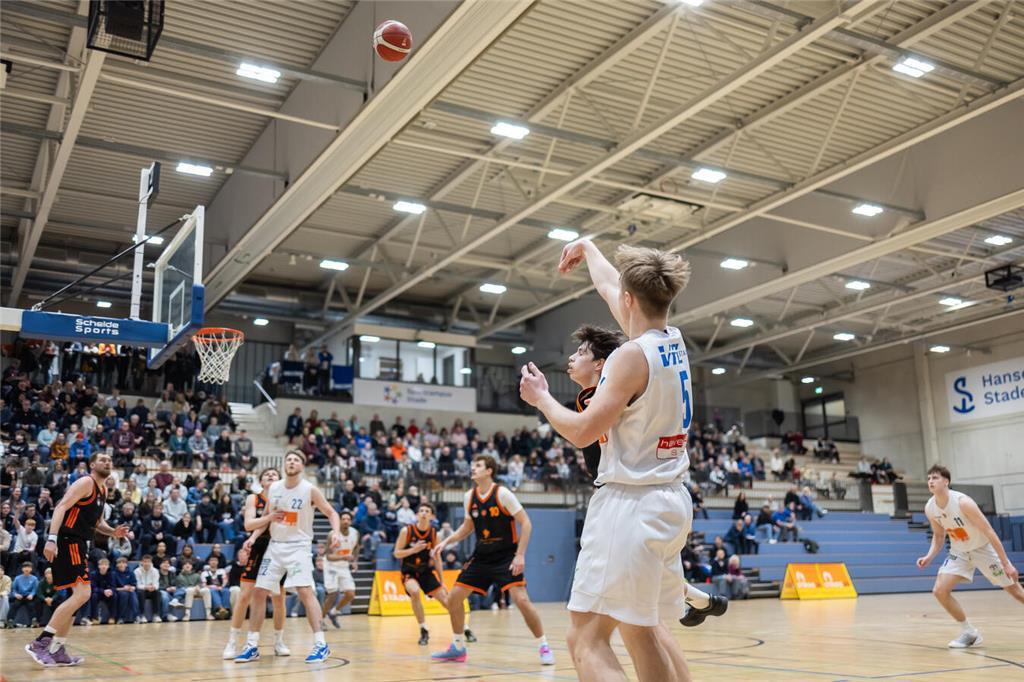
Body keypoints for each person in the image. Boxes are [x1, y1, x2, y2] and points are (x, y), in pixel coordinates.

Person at [519, 240, 724, 681]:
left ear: (630, 301)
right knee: (643, 631)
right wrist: (589, 248)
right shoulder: (672, 339)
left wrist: (541, 400)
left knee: (585, 637)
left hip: (629, 506)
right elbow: (614, 285)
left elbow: (582, 431)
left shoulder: (629, 357)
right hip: (670, 500)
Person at [430, 455, 552, 665]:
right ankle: (458, 647)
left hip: (506, 557)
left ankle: (544, 645)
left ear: (489, 471)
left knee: (522, 601)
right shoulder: (469, 496)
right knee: (453, 600)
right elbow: (468, 527)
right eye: (472, 465)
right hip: (481, 557)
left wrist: (520, 555)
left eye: (477, 465)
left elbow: (526, 523)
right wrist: (446, 542)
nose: (472, 468)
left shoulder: (503, 493)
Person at [25, 452, 130, 668]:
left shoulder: (103, 489)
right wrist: (51, 539)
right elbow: (61, 506)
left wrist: (113, 532)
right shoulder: (85, 482)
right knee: (84, 593)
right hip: (68, 539)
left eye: (110, 460)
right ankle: (40, 643)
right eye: (102, 459)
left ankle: (57, 648)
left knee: (78, 598)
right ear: (92, 465)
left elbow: (97, 522)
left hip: (81, 543)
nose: (107, 462)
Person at [237, 450, 341, 664]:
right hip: (275, 547)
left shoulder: (309, 490)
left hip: (298, 548)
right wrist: (253, 537)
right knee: (259, 591)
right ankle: (252, 645)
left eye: (296, 460)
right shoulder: (274, 488)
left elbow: (331, 512)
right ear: (285, 465)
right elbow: (268, 517)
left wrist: (337, 532)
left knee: (305, 591)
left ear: (302, 466)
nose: (292, 462)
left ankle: (321, 644)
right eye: (289, 459)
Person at [917, 464, 1024, 648]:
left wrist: (1006, 564)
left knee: (1015, 592)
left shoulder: (963, 502)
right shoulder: (930, 508)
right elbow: (939, 536)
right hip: (959, 551)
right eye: (928, 478)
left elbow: (989, 532)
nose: (930, 481)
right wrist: (929, 556)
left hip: (982, 549)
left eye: (935, 478)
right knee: (939, 591)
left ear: (946, 481)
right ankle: (969, 632)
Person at [222, 467, 290, 660]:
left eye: (274, 474)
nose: (270, 475)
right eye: (267, 474)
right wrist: (266, 520)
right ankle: (232, 643)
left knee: (279, 598)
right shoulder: (254, 498)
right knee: (245, 596)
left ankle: (278, 642)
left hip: (278, 547)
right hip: (258, 546)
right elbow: (248, 525)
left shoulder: (285, 499)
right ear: (261, 481)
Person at [394, 502, 452, 646]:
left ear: (432, 516)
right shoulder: (406, 531)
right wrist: (413, 550)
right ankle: (423, 629)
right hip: (410, 571)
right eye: (421, 510)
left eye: (427, 511)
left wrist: (442, 580)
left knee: (446, 601)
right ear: (417, 515)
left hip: (426, 571)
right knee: (414, 591)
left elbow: (438, 559)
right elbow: (396, 553)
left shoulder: (434, 534)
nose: (424, 513)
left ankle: (464, 628)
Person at [322, 510, 360, 630]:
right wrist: (345, 557)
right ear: (339, 521)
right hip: (331, 566)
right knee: (332, 594)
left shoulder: (355, 533)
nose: (345, 521)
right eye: (343, 519)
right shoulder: (332, 534)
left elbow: (357, 547)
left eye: (348, 519)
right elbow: (328, 556)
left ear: (351, 521)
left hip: (343, 566)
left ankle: (334, 612)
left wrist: (354, 561)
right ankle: (320, 620)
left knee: (350, 594)